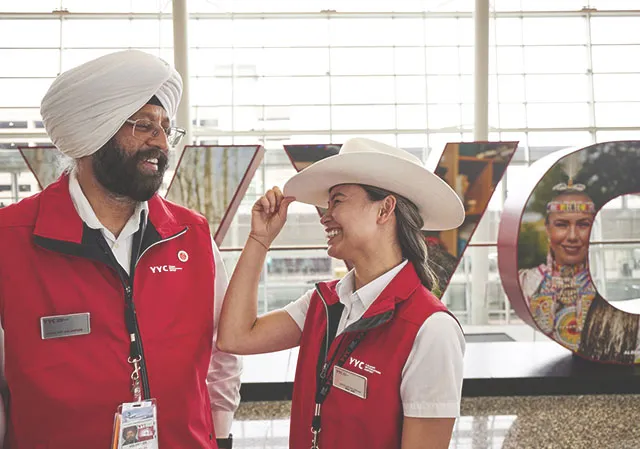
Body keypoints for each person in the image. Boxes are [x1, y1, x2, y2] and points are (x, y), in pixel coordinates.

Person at [0, 50, 241, 448]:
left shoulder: (192, 236)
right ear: (94, 132)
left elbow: (221, 357)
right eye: (144, 126)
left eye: (166, 128)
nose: (161, 142)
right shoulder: (11, 240)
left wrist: (218, 435)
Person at [218, 138, 466, 449]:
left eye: (337, 201)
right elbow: (235, 338)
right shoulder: (324, 302)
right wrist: (259, 239)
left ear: (385, 209)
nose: (325, 216)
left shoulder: (431, 329)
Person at [519, 182, 598, 351]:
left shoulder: (608, 286)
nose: (572, 236)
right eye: (562, 225)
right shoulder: (525, 282)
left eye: (583, 225)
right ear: (548, 229)